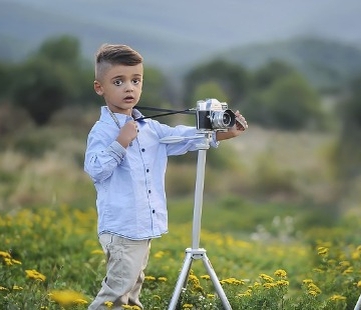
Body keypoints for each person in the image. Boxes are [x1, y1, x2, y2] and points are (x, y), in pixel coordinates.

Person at [84, 43, 248, 309]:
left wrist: (221, 133)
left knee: (133, 288)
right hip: (122, 226)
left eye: (136, 80)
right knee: (116, 292)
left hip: (142, 226)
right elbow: (95, 169)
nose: (129, 88)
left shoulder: (150, 128)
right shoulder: (103, 131)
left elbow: (182, 137)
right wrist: (120, 143)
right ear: (99, 87)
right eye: (119, 81)